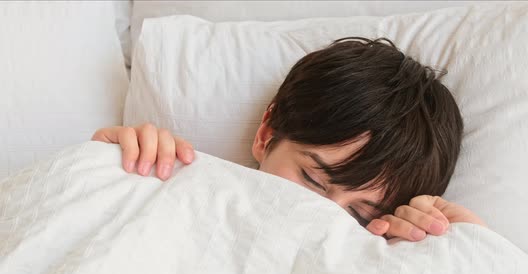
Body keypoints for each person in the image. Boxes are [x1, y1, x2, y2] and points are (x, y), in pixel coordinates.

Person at [92, 37, 485, 242]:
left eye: (361, 214)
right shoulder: (179, 189)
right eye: (313, 180)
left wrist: (465, 246)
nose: (322, 216)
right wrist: (108, 170)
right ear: (266, 135)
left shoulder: (388, 254)